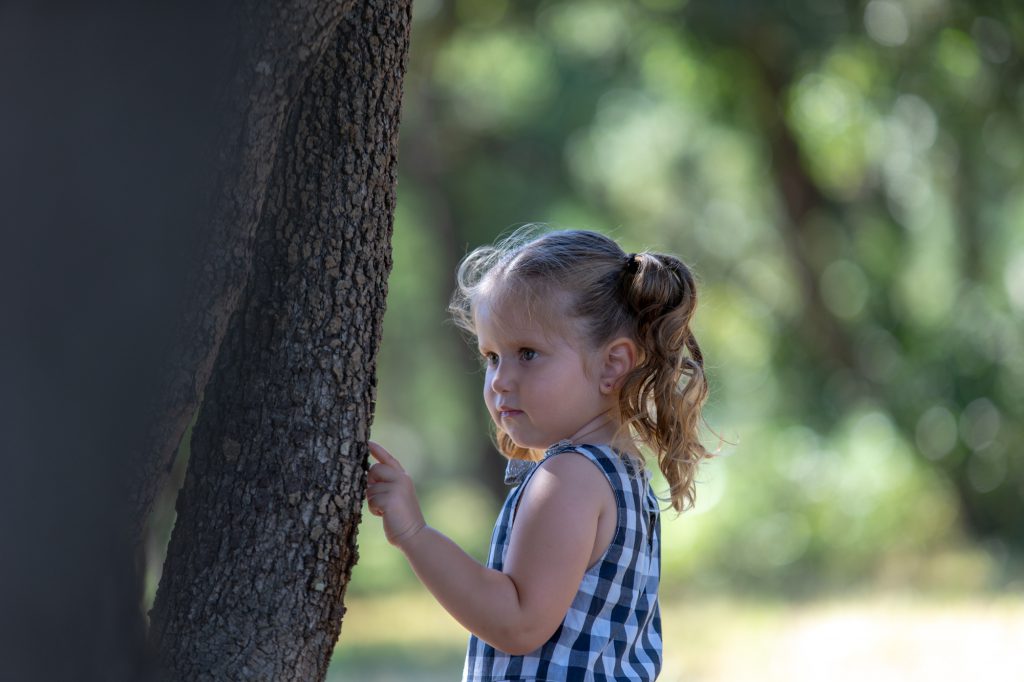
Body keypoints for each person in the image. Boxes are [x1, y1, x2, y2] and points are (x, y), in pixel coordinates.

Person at [366, 227, 710, 681]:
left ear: (612, 364)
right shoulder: (621, 473)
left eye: (527, 353)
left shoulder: (571, 477)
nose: (499, 380)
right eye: (491, 357)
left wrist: (413, 532)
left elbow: (517, 622)